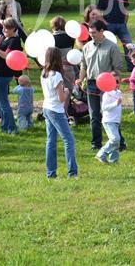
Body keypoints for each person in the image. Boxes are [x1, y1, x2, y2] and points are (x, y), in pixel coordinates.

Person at [77, 19, 124, 151]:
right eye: (90, 32)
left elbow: (118, 67)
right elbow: (83, 66)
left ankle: (119, 143)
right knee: (94, 115)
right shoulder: (86, 47)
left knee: (109, 115)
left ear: (102, 31)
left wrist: (115, 82)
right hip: (92, 83)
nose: (91, 35)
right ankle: (96, 144)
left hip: (107, 84)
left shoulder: (112, 46)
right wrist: (80, 79)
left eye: (94, 32)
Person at [41, 47, 78, 178]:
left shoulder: (44, 72)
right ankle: (72, 173)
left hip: (47, 107)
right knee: (69, 140)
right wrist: (67, 91)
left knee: (51, 141)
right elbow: (61, 98)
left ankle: (51, 173)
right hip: (56, 110)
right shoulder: (56, 75)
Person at [96, 0, 132, 67]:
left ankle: (131, 66)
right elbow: (98, 12)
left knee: (129, 44)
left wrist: (124, 22)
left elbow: (126, 9)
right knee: (108, 46)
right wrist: (105, 23)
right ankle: (108, 66)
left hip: (121, 25)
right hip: (109, 25)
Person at [95, 79, 123, 164]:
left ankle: (113, 160)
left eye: (118, 83)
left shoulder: (118, 93)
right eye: (115, 83)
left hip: (116, 121)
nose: (117, 85)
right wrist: (115, 104)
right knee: (115, 139)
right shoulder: (107, 94)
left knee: (116, 141)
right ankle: (101, 153)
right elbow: (104, 108)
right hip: (109, 121)